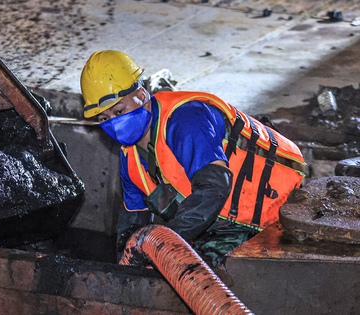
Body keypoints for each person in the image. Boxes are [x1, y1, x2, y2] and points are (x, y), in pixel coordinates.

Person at [80, 50, 306, 267]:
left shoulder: (185, 121)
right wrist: (125, 267)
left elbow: (214, 188)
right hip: (219, 219)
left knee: (201, 277)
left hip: (276, 207)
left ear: (141, 95)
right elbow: (132, 221)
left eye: (118, 111)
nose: (113, 124)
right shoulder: (130, 159)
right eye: (103, 118)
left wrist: (164, 243)